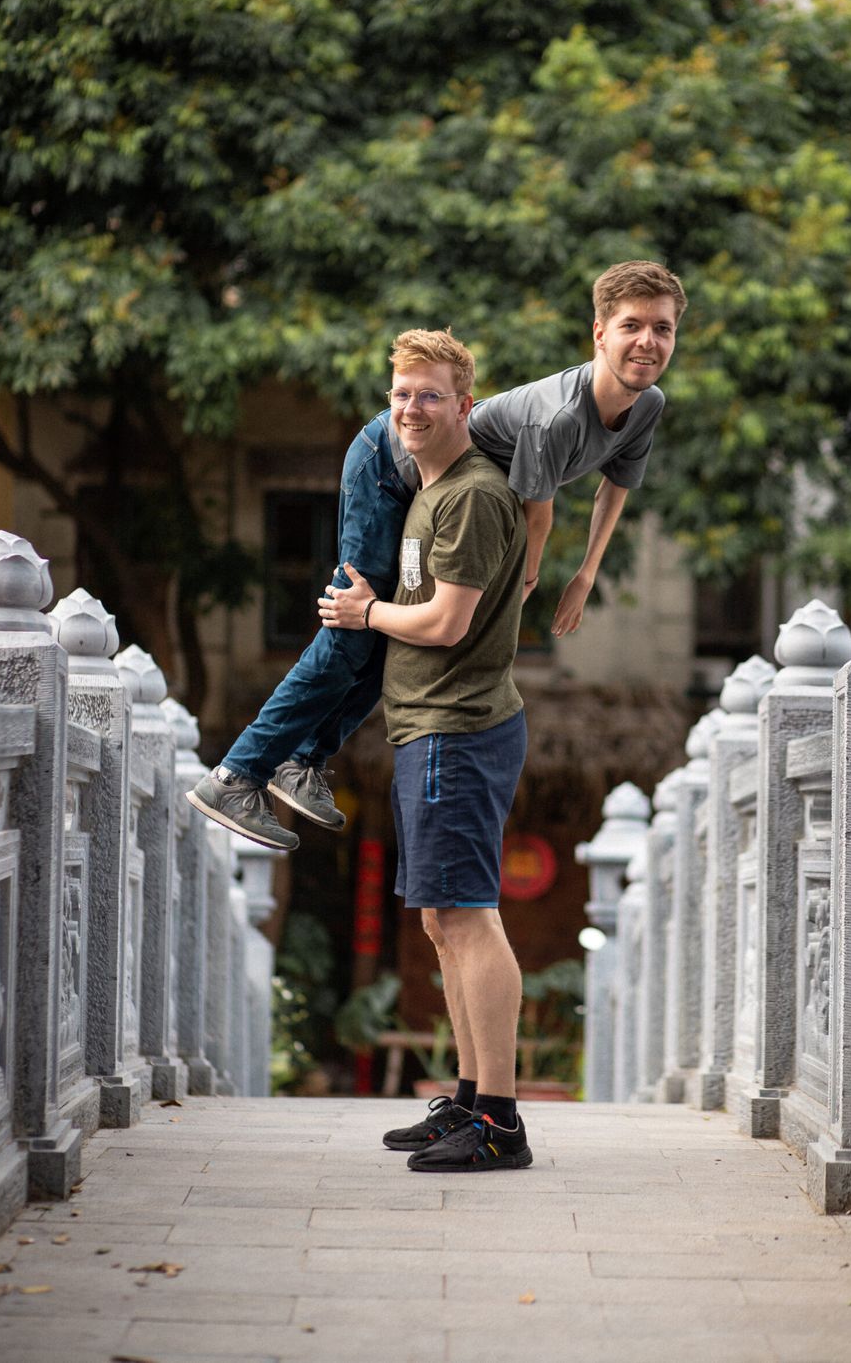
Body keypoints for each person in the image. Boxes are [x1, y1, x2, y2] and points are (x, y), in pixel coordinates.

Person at [187, 260, 685, 848]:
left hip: (438, 489)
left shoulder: (646, 404)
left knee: (398, 636)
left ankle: (303, 760)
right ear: (600, 333)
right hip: (389, 463)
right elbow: (535, 515)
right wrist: (519, 595)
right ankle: (236, 774)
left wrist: (586, 575)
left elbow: (616, 484)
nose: (648, 341)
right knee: (351, 629)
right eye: (632, 326)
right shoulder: (558, 417)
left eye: (663, 328)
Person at [318, 327, 533, 1173]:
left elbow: (446, 623)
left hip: (461, 725)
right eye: (399, 394)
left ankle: (501, 1125)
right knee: (445, 919)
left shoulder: (472, 494)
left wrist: (364, 615)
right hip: (431, 726)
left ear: (465, 405)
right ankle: (471, 1102)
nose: (410, 409)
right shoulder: (432, 492)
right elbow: (433, 595)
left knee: (470, 916)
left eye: (430, 394)